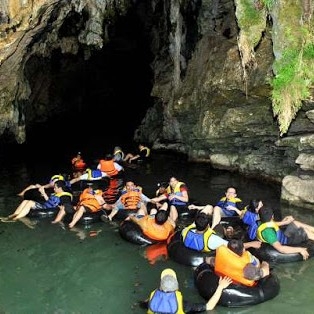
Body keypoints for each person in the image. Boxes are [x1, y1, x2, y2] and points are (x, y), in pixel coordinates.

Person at [142, 268, 232, 313]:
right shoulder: (183, 305)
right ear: (176, 288)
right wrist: (220, 287)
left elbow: (142, 304)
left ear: (160, 286)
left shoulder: (151, 300)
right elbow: (209, 306)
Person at [181, 211, 261, 253]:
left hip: (192, 247)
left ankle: (228, 231)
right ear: (208, 226)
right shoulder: (212, 239)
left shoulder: (186, 231)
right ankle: (229, 232)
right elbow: (232, 246)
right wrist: (251, 244)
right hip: (206, 248)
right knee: (219, 227)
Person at [2, 180, 73, 221]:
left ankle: (15, 219)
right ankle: (12, 215)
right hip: (46, 205)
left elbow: (63, 206)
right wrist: (43, 193)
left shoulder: (65, 196)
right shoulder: (56, 193)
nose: (54, 189)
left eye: (55, 187)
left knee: (30, 203)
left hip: (48, 208)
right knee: (25, 201)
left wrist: (60, 209)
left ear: (60, 188)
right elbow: (50, 201)